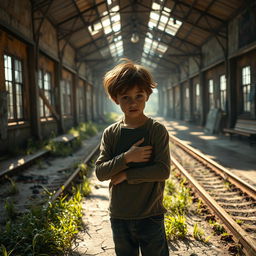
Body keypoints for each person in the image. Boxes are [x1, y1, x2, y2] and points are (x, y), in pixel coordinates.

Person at [95, 59, 170, 256]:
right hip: (120, 215)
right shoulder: (111, 133)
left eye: (139, 96)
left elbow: (163, 171)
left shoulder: (156, 130)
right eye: (126, 97)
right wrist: (127, 157)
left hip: (151, 215)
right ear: (116, 99)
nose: (133, 102)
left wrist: (128, 176)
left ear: (147, 96)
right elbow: (100, 173)